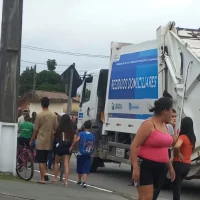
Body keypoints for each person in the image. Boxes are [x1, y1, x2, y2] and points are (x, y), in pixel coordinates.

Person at [130, 97, 176, 200]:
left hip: (160, 167)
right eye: (171, 111)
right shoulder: (148, 124)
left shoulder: (165, 125)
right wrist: (135, 168)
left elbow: (164, 149)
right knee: (147, 197)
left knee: (147, 197)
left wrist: (170, 167)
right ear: (165, 111)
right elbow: (134, 145)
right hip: (145, 166)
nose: (172, 114)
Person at [29, 97, 57, 184]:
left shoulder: (39, 115)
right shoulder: (54, 115)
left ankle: (42, 179)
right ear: (49, 104)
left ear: (41, 104)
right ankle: (45, 173)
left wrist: (32, 140)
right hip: (49, 141)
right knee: (45, 159)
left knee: (41, 160)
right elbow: (56, 128)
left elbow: (35, 130)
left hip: (40, 140)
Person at [172, 117, 196, 200]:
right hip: (187, 165)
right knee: (178, 186)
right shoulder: (192, 138)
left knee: (176, 189)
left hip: (179, 164)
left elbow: (176, 146)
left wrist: (177, 153)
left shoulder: (183, 137)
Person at [70, 120, 95, 188]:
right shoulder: (92, 135)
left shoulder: (81, 133)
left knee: (80, 166)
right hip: (88, 153)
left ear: (84, 126)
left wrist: (72, 146)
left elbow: (77, 140)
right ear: (90, 127)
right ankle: (84, 181)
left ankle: (79, 180)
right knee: (86, 168)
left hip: (81, 153)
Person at [52, 114, 76, 186]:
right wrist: (72, 146)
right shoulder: (71, 129)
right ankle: (66, 181)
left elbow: (55, 136)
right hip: (68, 147)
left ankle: (55, 178)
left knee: (56, 162)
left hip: (60, 147)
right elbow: (75, 138)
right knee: (66, 164)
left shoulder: (59, 128)